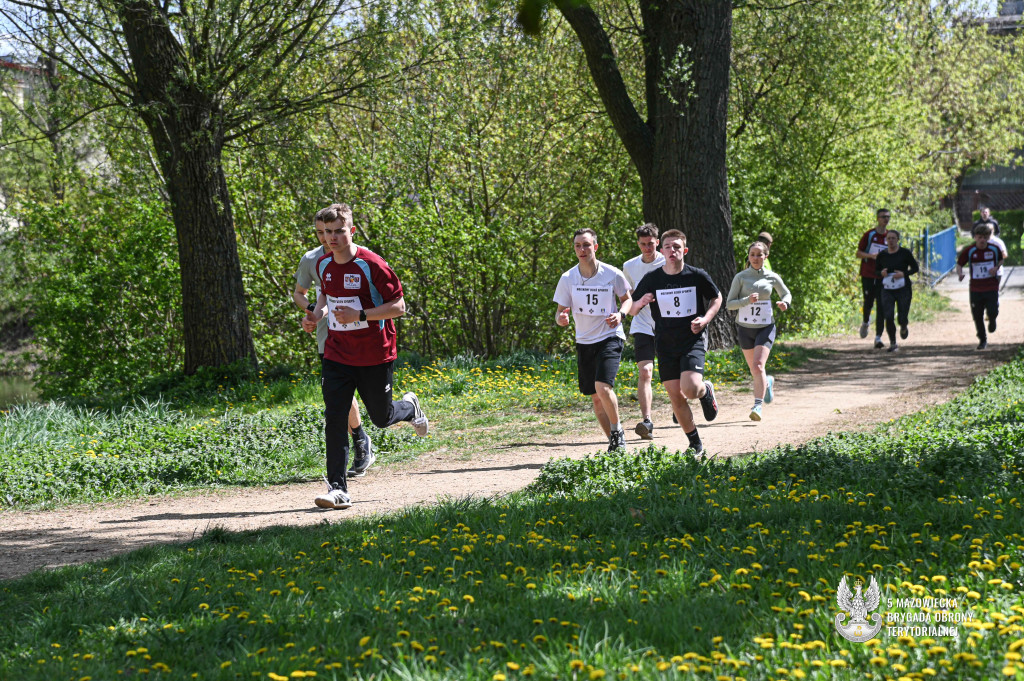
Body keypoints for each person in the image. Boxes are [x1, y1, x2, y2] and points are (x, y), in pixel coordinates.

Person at [308, 203, 429, 509]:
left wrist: (359, 313)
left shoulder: (372, 264)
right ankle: (338, 488)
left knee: (381, 417)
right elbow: (325, 294)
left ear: (352, 230)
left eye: (339, 231)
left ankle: (410, 408)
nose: (332, 238)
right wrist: (316, 314)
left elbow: (398, 307)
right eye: (327, 233)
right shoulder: (323, 264)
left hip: (375, 353)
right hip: (337, 354)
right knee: (335, 418)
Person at [293, 217, 373, 478]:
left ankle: (367, 433)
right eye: (320, 233)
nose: (325, 238)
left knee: (378, 407)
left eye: (330, 231)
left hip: (361, 334)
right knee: (339, 394)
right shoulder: (311, 259)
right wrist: (312, 314)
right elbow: (300, 293)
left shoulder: (360, 257)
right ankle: (359, 442)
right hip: (328, 336)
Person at [629, 230, 722, 454]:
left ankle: (705, 390)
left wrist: (705, 319)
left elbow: (716, 297)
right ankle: (695, 443)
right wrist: (641, 301)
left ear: (685, 250)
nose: (673, 251)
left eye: (677, 247)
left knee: (690, 390)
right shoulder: (652, 278)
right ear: (662, 251)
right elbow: (631, 309)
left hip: (692, 340)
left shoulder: (696, 275)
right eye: (668, 247)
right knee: (675, 396)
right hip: (665, 343)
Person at [554, 228, 633, 452]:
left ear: (595, 247)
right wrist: (562, 318)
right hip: (584, 341)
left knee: (603, 387)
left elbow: (627, 300)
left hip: (610, 336)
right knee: (596, 398)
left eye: (586, 245)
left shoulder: (612, 273)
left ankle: (618, 432)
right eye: (578, 245)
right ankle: (615, 444)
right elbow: (560, 313)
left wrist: (621, 314)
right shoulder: (568, 278)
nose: (582, 249)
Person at [725, 241, 792, 421]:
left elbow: (786, 293)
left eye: (759, 255)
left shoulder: (772, 277)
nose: (755, 258)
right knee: (755, 371)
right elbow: (729, 304)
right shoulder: (740, 277)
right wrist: (746, 300)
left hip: (765, 326)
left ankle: (757, 406)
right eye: (752, 254)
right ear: (748, 256)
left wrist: (785, 303)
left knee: (758, 366)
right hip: (745, 328)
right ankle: (767, 383)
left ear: (765, 256)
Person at [622, 223, 664, 440]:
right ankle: (647, 421)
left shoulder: (668, 261)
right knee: (645, 371)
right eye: (643, 244)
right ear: (638, 244)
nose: (647, 248)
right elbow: (627, 296)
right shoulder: (629, 266)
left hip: (668, 325)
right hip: (642, 324)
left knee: (672, 376)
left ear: (657, 242)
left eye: (651, 244)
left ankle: (689, 399)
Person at [957, 223, 1003, 350]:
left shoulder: (994, 249)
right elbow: (960, 264)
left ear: (988, 237)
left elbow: (1001, 259)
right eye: (979, 237)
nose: (982, 240)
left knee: (993, 310)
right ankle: (982, 340)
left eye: (985, 237)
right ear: (975, 237)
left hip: (991, 286)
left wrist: (996, 267)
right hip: (975, 288)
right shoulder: (970, 250)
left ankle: (992, 319)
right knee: (977, 315)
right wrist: (960, 274)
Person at [874, 230, 920, 353]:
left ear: (898, 239)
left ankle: (903, 326)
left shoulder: (905, 253)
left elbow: (915, 268)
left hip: (903, 288)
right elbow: (876, 271)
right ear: (886, 240)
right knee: (888, 316)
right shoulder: (882, 255)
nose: (891, 241)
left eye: (893, 238)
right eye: (889, 238)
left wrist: (904, 274)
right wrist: (881, 273)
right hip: (887, 289)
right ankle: (893, 343)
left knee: (902, 316)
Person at [855, 208, 890, 348]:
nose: (886, 219)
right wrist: (871, 256)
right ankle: (865, 322)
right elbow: (858, 253)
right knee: (868, 302)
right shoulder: (870, 235)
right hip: (868, 274)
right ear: (877, 218)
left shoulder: (891, 236)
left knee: (881, 306)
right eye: (883, 217)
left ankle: (878, 337)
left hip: (883, 277)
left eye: (888, 217)